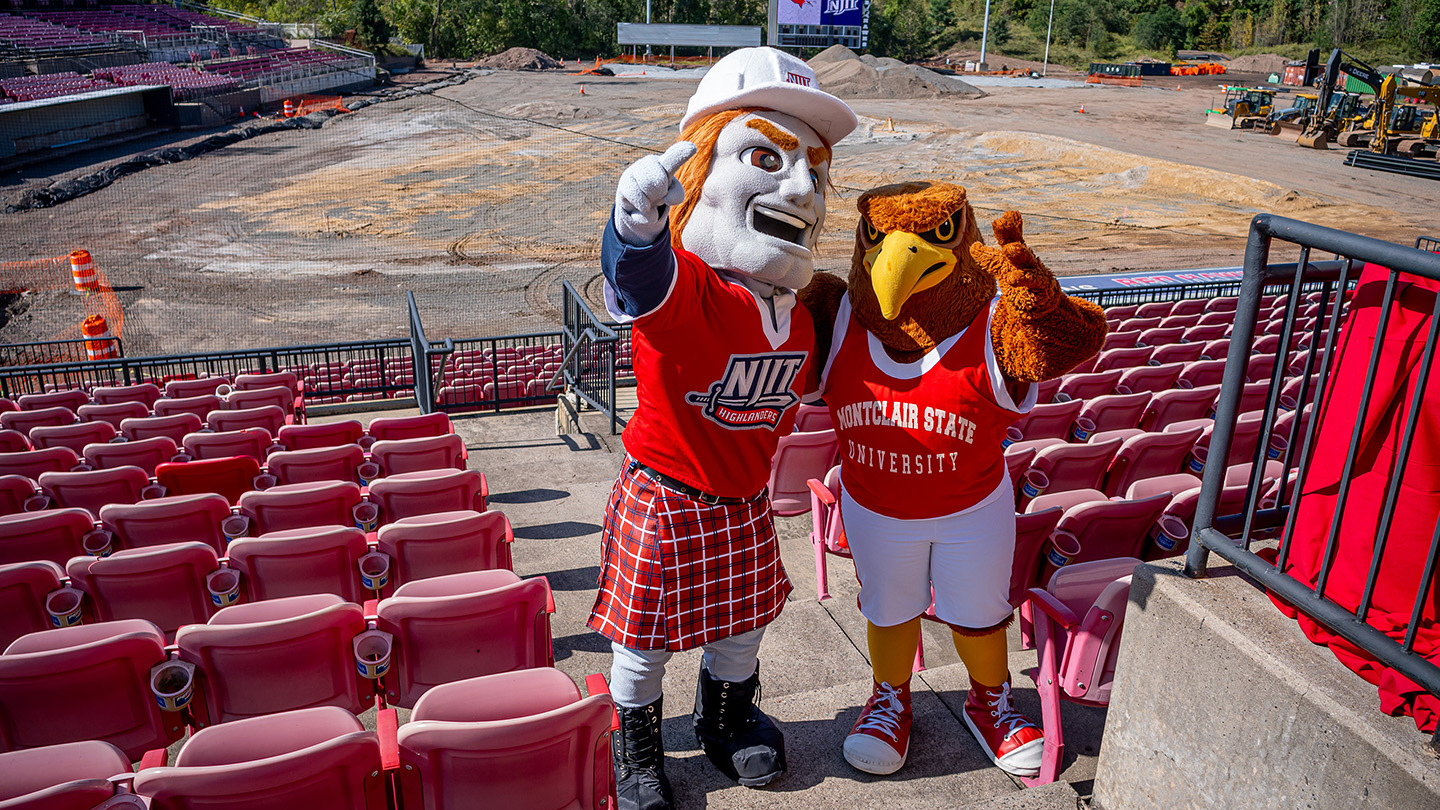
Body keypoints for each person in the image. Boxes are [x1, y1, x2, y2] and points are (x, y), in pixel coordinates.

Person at [586, 47, 856, 810]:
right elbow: (640, 279)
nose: (801, 189)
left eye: (813, 170)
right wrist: (632, 227)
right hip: (667, 497)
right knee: (641, 650)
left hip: (743, 502)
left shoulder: (803, 314)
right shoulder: (695, 289)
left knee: (742, 634)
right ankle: (635, 747)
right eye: (767, 157)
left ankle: (725, 717)